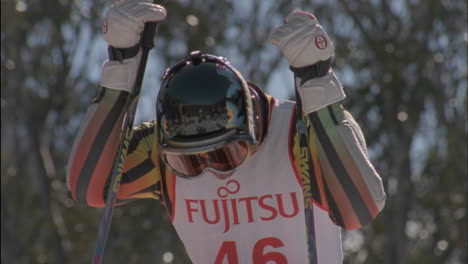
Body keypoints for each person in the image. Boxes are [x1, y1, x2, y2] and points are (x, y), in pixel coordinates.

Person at [67, 0, 386, 263]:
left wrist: (317, 84)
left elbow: (357, 208)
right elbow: (90, 187)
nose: (212, 172)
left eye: (225, 155)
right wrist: (120, 73)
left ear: (253, 124)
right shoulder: (168, 146)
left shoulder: (299, 131)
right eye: (190, 164)